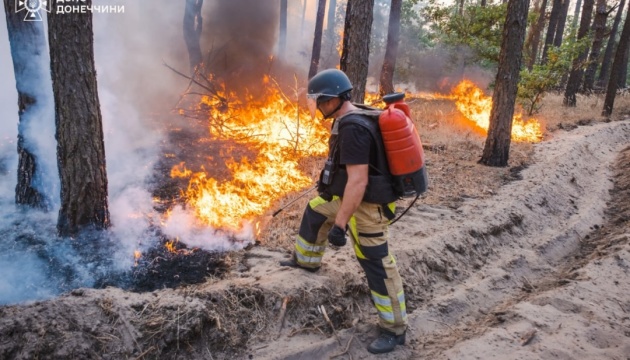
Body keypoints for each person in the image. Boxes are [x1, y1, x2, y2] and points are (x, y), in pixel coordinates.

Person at [280, 69, 407, 354]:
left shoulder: (353, 128)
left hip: (367, 208)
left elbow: (358, 181)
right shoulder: (351, 115)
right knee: (315, 210)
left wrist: (340, 225)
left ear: (332, 99)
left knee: (376, 264)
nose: (318, 106)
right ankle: (307, 261)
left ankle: (394, 329)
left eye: (319, 100)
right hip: (355, 198)